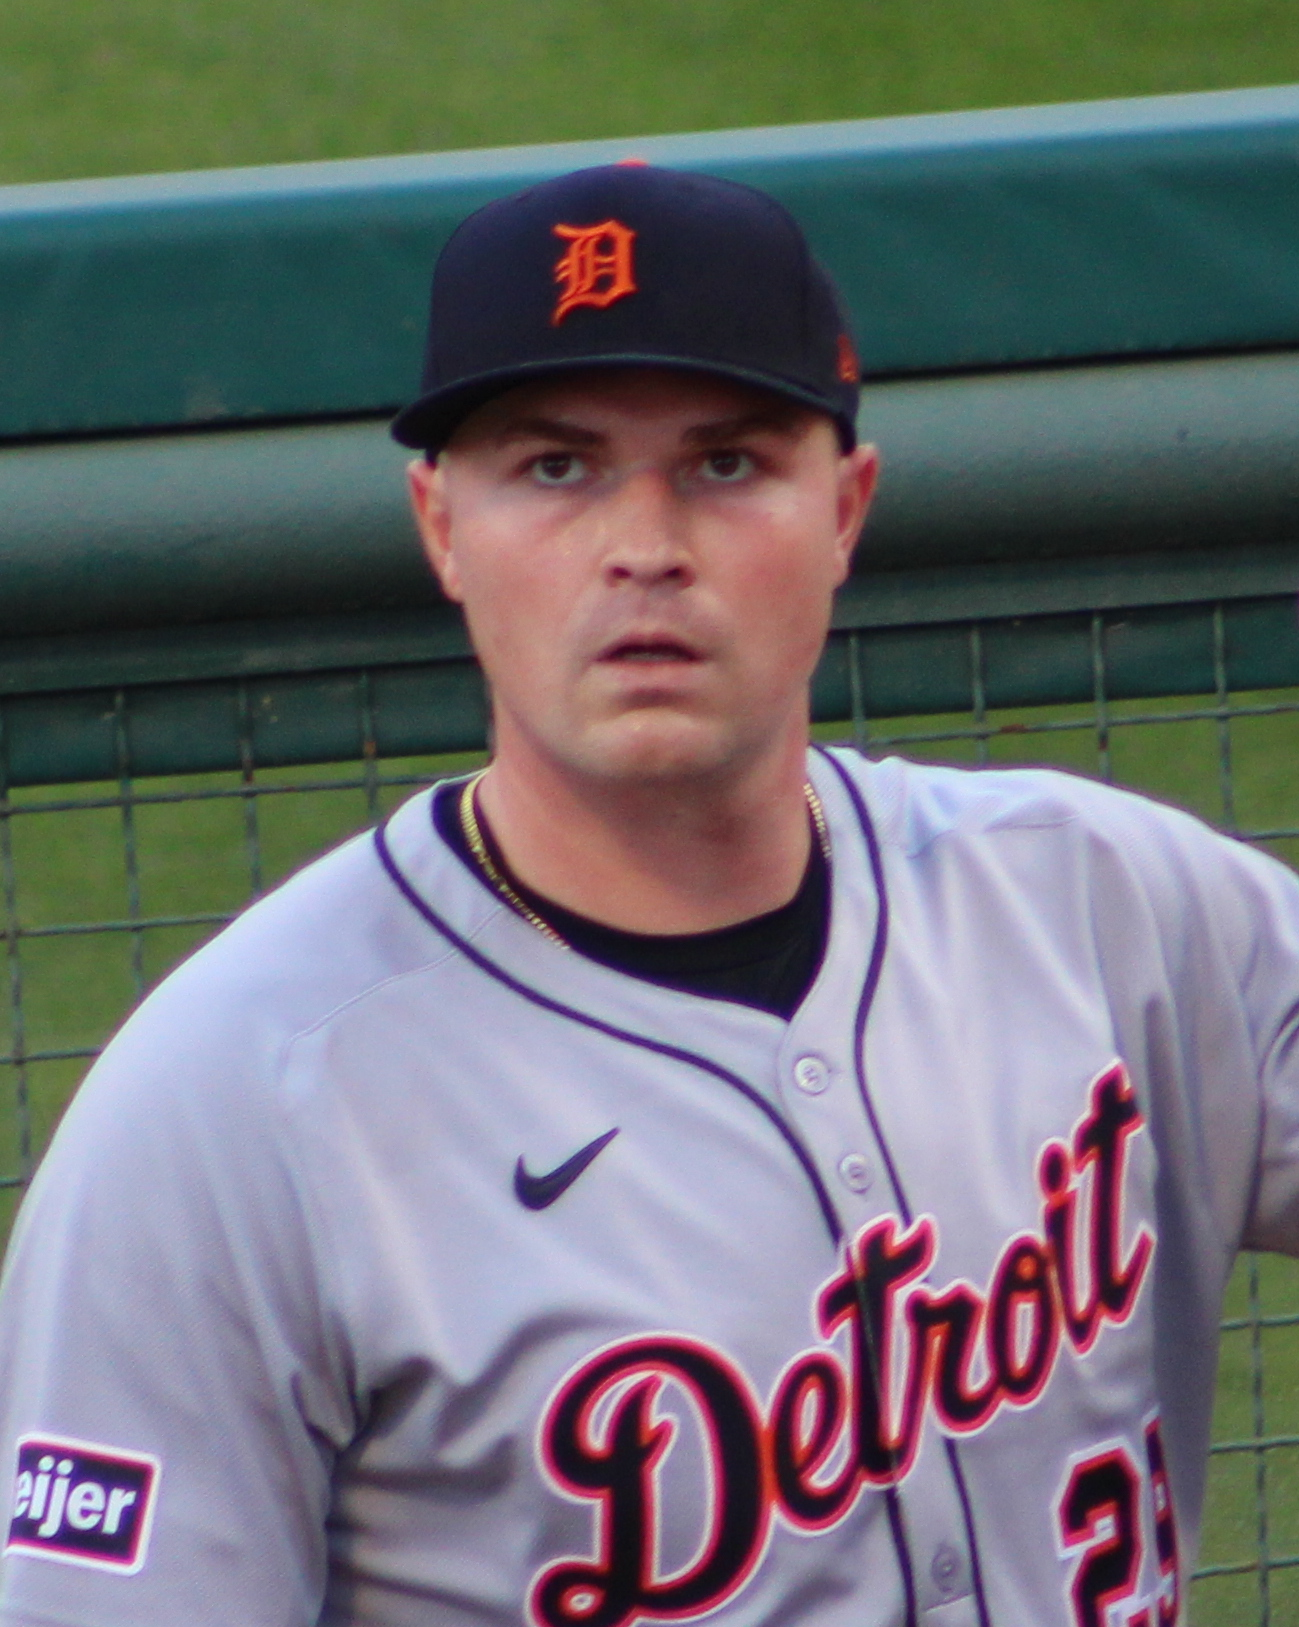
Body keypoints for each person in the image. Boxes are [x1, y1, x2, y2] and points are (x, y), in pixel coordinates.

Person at [1, 161, 1296, 1627]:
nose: (645, 548)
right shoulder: (229, 1106)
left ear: (845, 509)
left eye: (725, 465)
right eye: (555, 469)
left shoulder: (1106, 903)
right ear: (441, 525)